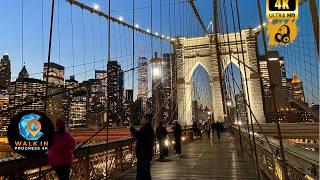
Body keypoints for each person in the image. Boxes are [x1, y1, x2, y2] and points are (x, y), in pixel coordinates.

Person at [130, 114, 155, 180]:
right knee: (145, 172)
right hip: (146, 153)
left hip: (143, 154)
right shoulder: (149, 127)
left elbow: (138, 135)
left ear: (146, 119)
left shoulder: (146, 128)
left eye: (143, 118)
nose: (141, 119)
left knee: (142, 171)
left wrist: (132, 128)